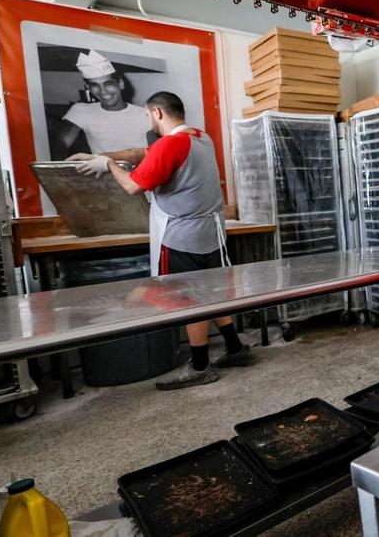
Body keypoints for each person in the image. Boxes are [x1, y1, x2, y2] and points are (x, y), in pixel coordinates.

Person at [72, 92, 254, 389]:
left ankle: (199, 367)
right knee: (212, 292)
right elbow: (144, 153)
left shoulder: (170, 144)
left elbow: (132, 186)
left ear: (157, 112)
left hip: (180, 237)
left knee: (188, 299)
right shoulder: (199, 137)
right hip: (211, 232)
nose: (148, 120)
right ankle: (235, 349)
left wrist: (108, 167)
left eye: (147, 115)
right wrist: (105, 155)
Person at [58, 50, 151, 156]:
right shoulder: (81, 110)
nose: (103, 91)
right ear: (88, 88)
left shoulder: (147, 115)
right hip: (100, 171)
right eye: (95, 85)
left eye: (108, 84)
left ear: (120, 84)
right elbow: (61, 143)